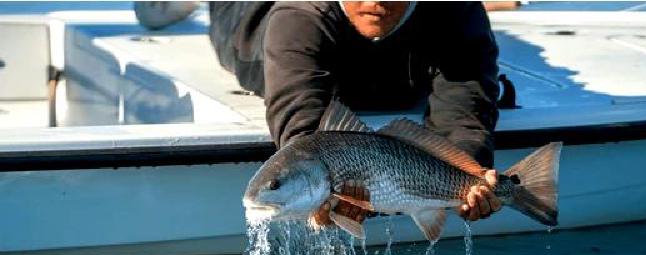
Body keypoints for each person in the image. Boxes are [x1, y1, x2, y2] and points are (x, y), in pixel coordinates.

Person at [137, 1, 504, 223]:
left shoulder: (458, 11)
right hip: (252, 20)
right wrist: (324, 197)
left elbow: (463, 113)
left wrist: (468, 178)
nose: (375, 0)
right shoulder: (298, 17)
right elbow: (303, 133)